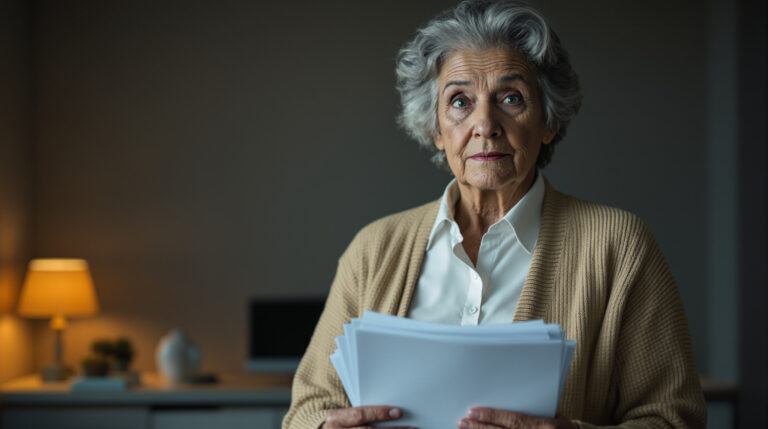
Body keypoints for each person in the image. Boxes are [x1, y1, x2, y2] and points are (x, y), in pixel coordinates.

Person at [282, 1, 706, 428]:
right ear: (435, 128)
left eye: (510, 97)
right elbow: (306, 410)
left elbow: (674, 419)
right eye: (461, 101)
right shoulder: (374, 249)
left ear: (548, 121)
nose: (485, 124)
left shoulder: (619, 245)